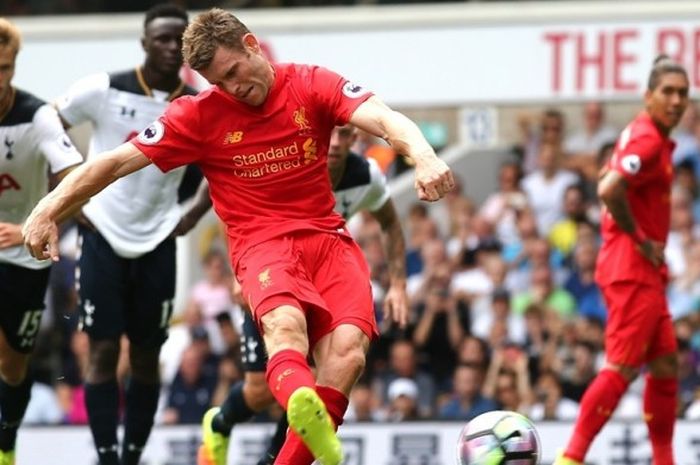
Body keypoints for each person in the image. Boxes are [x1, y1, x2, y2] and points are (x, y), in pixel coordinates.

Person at [22, 8, 453, 465]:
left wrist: (423, 155)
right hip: (263, 247)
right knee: (285, 330)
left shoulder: (311, 83)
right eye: (216, 82)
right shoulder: (198, 115)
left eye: (232, 73)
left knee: (348, 357)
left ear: (252, 46)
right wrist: (48, 209)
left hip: (329, 240)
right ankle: (298, 400)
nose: (230, 89)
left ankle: (300, 420)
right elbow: (111, 163)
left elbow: (383, 118)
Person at [197, 122, 410, 465]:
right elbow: (234, 208)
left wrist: (399, 283)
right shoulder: (288, 166)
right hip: (273, 270)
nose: (336, 143)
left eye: (344, 135)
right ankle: (220, 424)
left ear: (355, 139)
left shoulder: (365, 176)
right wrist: (241, 271)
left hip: (325, 277)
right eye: (330, 134)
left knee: (320, 379)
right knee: (262, 390)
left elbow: (389, 222)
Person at [52, 5, 206, 465]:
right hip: (101, 234)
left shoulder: (200, 104)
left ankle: (133, 455)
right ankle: (106, 457)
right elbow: (48, 128)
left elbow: (225, 166)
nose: (169, 46)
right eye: (160, 38)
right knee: (101, 352)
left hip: (159, 239)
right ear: (143, 42)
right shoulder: (104, 89)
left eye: (178, 39)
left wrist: (194, 214)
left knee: (145, 356)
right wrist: (69, 196)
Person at [554, 55, 688, 465]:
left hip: (637, 268)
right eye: (667, 92)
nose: (677, 100)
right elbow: (610, 188)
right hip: (633, 267)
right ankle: (570, 458)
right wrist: (642, 238)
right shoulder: (648, 140)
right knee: (621, 368)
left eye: (683, 93)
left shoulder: (642, 133)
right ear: (648, 96)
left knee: (665, 365)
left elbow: (605, 177)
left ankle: (664, 459)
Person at [0, 18, 83, 465]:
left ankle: (6, 444)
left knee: (13, 366)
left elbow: (76, 176)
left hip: (24, 257)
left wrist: (42, 216)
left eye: (4, 67)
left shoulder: (37, 116)